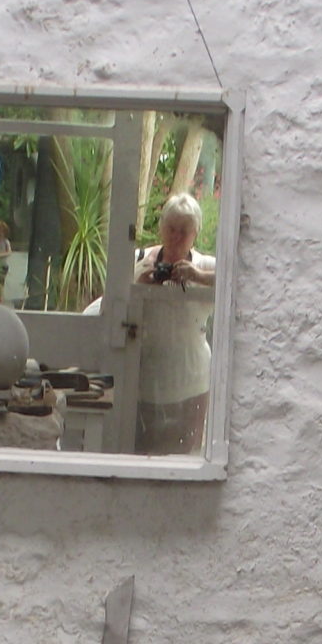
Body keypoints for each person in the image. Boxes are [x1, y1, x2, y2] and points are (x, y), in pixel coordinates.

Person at [130, 191, 215, 453]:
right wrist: (139, 283)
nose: (177, 236)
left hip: (191, 382)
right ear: (161, 227)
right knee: (141, 454)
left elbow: (239, 283)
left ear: (196, 234)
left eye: (185, 231)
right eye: (171, 228)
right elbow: (114, 305)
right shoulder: (138, 260)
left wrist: (198, 276)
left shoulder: (206, 265)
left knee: (186, 457)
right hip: (145, 381)